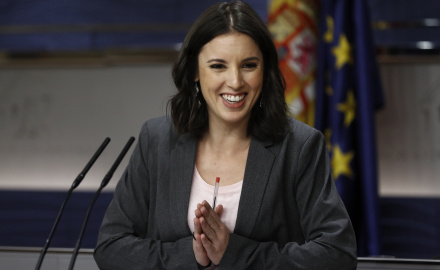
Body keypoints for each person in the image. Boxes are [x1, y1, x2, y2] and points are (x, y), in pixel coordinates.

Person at [93, 1, 357, 269]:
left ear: (265, 71)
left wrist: (234, 254)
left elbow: (337, 254)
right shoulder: (156, 140)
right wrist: (190, 255)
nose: (235, 81)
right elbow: (111, 246)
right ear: (195, 71)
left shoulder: (299, 146)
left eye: (249, 65)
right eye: (218, 66)